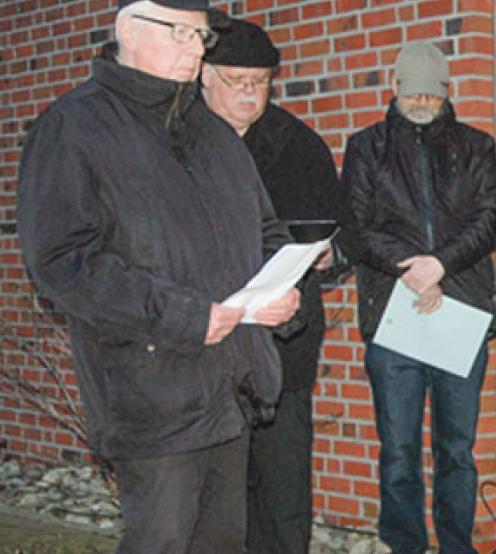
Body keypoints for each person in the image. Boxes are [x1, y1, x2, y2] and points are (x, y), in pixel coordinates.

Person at [15, 0, 306, 552]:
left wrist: (280, 291)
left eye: (201, 37)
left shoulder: (214, 133)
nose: (196, 49)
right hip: (152, 391)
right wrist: (187, 317)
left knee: (222, 542)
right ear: (128, 30)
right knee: (163, 542)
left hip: (232, 387)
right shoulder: (74, 127)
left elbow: (264, 230)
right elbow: (63, 260)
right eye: (180, 33)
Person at [343, 41, 496, 553]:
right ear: (395, 89)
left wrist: (442, 263)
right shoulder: (365, 147)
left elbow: (493, 220)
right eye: (412, 92)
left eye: (431, 94)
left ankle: (457, 546)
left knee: (457, 449)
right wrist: (414, 270)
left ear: (446, 92)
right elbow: (355, 228)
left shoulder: (476, 146)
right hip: (394, 316)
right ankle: (405, 545)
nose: (420, 102)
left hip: (461, 313)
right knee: (398, 451)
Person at [200, 18, 354, 554]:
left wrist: (333, 256)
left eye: (259, 81)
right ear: (205, 77)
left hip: (283, 349)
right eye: (235, 79)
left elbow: (341, 232)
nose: (248, 91)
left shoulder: (299, 145)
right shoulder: (176, 143)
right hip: (207, 349)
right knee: (216, 496)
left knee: (284, 488)